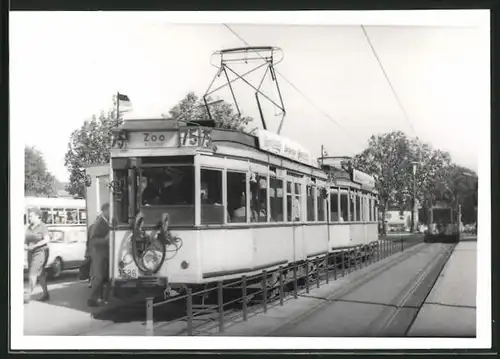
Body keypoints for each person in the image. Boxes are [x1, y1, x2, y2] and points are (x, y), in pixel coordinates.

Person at [24, 207, 50, 303]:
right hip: (30, 252)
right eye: (29, 215)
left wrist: (34, 246)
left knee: (32, 273)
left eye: (31, 216)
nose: (29, 217)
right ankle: (46, 294)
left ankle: (27, 295)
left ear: (38, 217)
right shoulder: (29, 227)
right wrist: (25, 246)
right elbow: (26, 240)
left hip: (40, 251)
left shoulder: (43, 226)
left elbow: (46, 239)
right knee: (40, 273)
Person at [87, 203, 111, 307]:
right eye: (110, 210)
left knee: (103, 276)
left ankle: (100, 298)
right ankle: (92, 299)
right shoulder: (99, 223)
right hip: (98, 253)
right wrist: (106, 239)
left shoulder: (105, 222)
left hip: (103, 252)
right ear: (105, 211)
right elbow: (93, 241)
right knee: (99, 277)